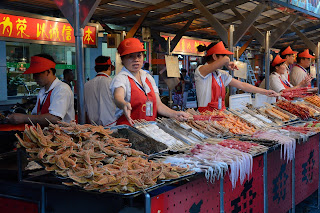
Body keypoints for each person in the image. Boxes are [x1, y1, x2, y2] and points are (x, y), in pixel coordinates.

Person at [111, 37, 189, 125]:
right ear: (122, 59)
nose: (136, 59)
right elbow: (118, 96)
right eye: (130, 56)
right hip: (130, 131)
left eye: (139, 55)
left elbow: (158, 105)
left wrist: (175, 114)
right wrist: (123, 104)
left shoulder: (147, 77)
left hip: (149, 129)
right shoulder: (121, 78)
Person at [195, 41, 278, 112]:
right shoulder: (201, 71)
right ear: (214, 56)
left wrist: (265, 92)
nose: (225, 58)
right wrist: (227, 62)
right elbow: (226, 59)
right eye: (222, 55)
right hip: (205, 115)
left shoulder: (221, 74)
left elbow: (242, 85)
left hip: (219, 114)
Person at [7, 54, 75, 126]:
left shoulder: (62, 89)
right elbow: (36, 115)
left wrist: (24, 118)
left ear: (48, 72)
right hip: (45, 135)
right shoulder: (42, 91)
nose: (34, 77)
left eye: (37, 74)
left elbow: (54, 118)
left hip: (62, 136)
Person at [84, 56, 117, 127]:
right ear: (109, 68)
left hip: (93, 128)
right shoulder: (112, 83)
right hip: (111, 127)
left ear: (96, 69)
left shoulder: (86, 85)